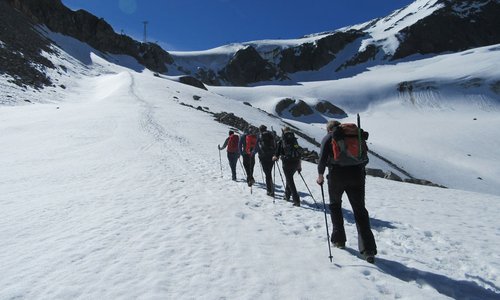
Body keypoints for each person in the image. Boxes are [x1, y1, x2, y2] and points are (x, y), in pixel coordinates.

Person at [316, 120, 377, 263]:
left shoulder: (329, 137)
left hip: (337, 175)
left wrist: (320, 176)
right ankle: (368, 249)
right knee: (360, 210)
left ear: (329, 129)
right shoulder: (355, 136)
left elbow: (322, 159)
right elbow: (365, 158)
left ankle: (339, 240)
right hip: (357, 175)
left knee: (335, 206)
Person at [273, 127, 302, 206]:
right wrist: (299, 166)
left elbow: (277, 153)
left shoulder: (282, 140)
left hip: (286, 163)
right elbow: (298, 152)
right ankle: (287, 195)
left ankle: (296, 200)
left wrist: (275, 156)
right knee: (289, 179)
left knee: (290, 180)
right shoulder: (294, 140)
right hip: (295, 162)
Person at [256, 125, 276, 197]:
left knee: (267, 174)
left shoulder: (260, 136)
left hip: (263, 157)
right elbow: (275, 145)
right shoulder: (271, 135)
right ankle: (270, 189)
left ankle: (270, 190)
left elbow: (257, 147)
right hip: (271, 157)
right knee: (269, 173)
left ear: (260, 130)